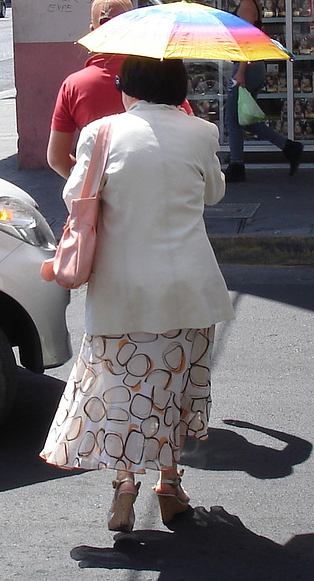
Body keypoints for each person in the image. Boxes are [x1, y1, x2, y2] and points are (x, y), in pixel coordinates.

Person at [40, 56, 234, 533]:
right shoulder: (201, 132)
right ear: (179, 88)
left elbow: (74, 196)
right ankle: (170, 485)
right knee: (179, 387)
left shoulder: (102, 133)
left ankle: (125, 487)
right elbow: (214, 194)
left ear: (129, 89)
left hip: (121, 289)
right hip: (190, 287)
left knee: (124, 391)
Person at [225, 0, 303, 182]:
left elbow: (246, 41)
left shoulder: (247, 4)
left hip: (246, 66)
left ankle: (237, 166)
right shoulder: (248, 2)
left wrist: (239, 72)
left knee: (233, 118)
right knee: (244, 118)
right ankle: (289, 147)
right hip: (251, 66)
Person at [47, 0, 133, 178]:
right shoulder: (156, 77)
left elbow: (57, 158)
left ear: (92, 31)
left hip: (98, 198)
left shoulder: (73, 85)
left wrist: (88, 181)